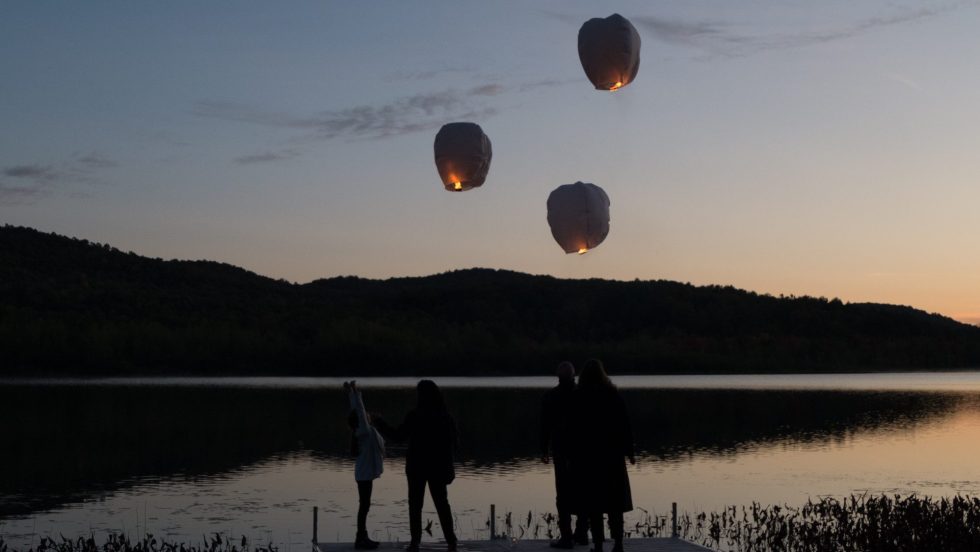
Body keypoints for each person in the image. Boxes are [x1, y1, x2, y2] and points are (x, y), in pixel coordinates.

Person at [375, 380, 459, 552]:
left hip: (416, 467)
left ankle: (415, 543)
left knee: (415, 505)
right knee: (442, 504)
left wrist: (379, 423)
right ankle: (451, 541)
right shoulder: (446, 417)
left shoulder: (415, 415)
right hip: (437, 467)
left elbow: (398, 436)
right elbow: (454, 443)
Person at [572, 360, 635, 552]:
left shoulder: (580, 397)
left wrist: (572, 455)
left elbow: (573, 430)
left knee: (594, 505)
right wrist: (630, 452)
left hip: (589, 459)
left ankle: (598, 545)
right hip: (613, 458)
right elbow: (625, 426)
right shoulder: (614, 396)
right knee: (615, 504)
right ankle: (618, 543)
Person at [540, 361, 590, 548]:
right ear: (573, 375)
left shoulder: (551, 397)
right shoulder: (584, 396)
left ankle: (567, 537)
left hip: (561, 451)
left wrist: (543, 449)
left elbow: (544, 427)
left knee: (563, 495)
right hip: (583, 452)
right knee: (584, 492)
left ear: (558, 377)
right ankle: (582, 533)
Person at [344, 380, 385, 550]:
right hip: (364, 475)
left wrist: (351, 394)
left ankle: (362, 537)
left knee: (365, 505)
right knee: (365, 505)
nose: (368, 415)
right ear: (362, 422)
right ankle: (361, 538)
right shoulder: (364, 432)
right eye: (366, 416)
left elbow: (357, 412)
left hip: (364, 474)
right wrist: (356, 392)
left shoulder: (360, 432)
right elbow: (359, 411)